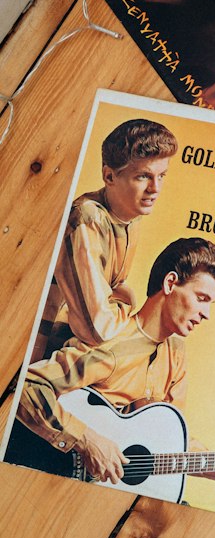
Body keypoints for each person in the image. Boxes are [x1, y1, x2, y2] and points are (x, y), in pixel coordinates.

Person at [12, 237, 215, 486]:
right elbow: (25, 385)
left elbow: (169, 442)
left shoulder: (175, 356)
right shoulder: (113, 339)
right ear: (171, 283)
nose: (206, 314)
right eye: (202, 299)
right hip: (47, 476)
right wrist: (86, 440)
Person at [31, 118, 178, 362]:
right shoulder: (87, 218)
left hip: (73, 355)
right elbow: (98, 329)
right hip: (38, 359)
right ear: (109, 176)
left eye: (161, 175)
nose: (155, 188)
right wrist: (127, 301)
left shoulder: (130, 217)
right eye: (143, 176)